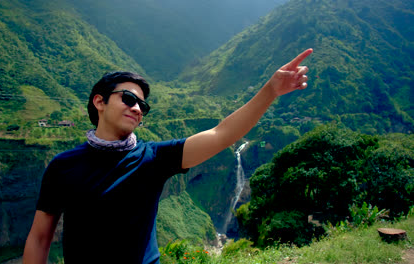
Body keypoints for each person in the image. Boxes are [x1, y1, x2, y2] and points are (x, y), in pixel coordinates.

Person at [23, 49, 313, 264]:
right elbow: (39, 238)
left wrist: (270, 90)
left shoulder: (154, 158)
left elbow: (222, 134)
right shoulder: (63, 166)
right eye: (128, 98)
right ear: (99, 101)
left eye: (143, 106)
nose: (137, 108)